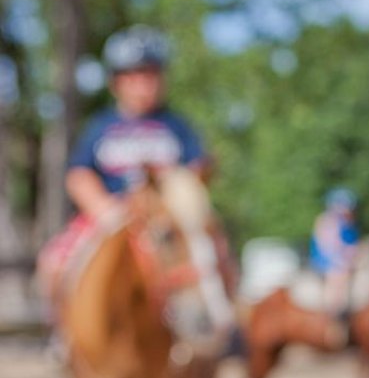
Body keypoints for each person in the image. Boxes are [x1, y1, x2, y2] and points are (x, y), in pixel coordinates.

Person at [38, 24, 235, 302]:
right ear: (117, 82)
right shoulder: (101, 126)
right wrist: (105, 209)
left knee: (217, 254)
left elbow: (195, 172)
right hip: (110, 215)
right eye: (135, 76)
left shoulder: (176, 126)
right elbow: (79, 174)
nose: (145, 85)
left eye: (152, 75)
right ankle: (63, 334)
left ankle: (220, 324)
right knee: (52, 261)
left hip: (165, 219)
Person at [309, 186, 360, 316]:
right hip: (327, 262)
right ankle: (335, 314)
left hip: (345, 260)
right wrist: (342, 261)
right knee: (339, 276)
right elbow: (328, 247)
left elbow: (352, 246)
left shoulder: (349, 223)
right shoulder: (326, 221)